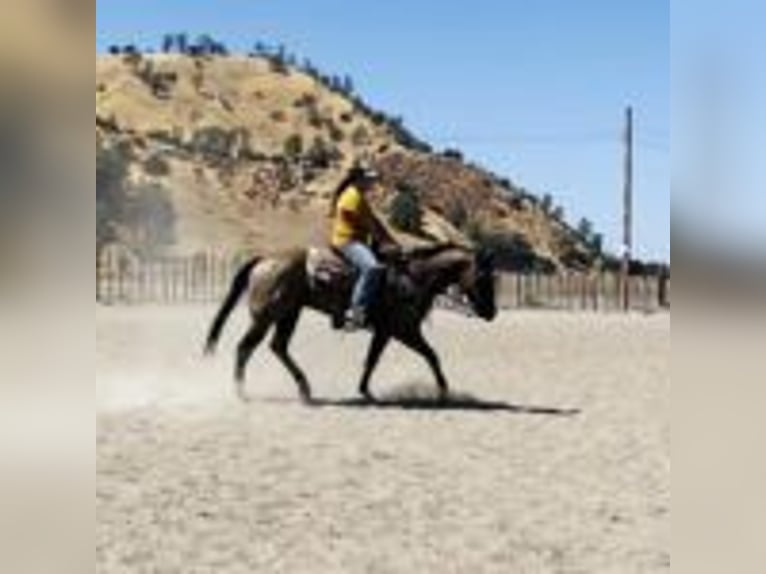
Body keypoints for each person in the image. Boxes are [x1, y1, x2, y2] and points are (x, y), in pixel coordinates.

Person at [330, 163, 395, 329]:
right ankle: (355, 311)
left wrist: (390, 241)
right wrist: (383, 240)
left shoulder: (359, 196)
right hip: (347, 241)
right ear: (359, 180)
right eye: (369, 180)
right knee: (372, 268)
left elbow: (374, 222)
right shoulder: (352, 197)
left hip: (357, 241)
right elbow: (368, 224)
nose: (372, 183)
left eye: (372, 180)